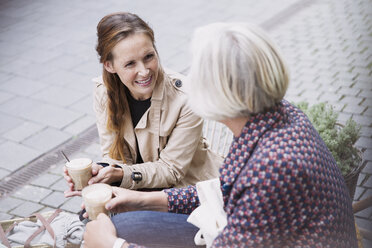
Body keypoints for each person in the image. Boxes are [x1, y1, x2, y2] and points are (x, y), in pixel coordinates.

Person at [83, 22, 357, 247]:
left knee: (114, 231)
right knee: (122, 222)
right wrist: (142, 199)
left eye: (200, 72)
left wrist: (113, 246)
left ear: (219, 90)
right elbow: (225, 188)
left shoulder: (271, 170)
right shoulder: (279, 116)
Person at [64, 12, 222, 194]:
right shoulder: (103, 92)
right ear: (109, 66)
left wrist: (120, 175)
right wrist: (98, 171)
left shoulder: (187, 96)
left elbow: (172, 171)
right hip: (137, 189)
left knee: (108, 219)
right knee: (93, 212)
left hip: (188, 192)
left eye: (148, 57)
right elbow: (113, 156)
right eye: (130, 63)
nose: (144, 71)